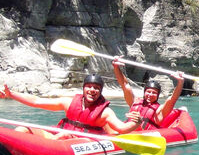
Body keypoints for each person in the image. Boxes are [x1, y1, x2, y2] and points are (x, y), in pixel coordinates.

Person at [0, 74, 142, 138]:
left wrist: (136, 122)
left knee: (65, 135)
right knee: (21, 129)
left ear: (100, 92)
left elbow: (122, 129)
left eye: (96, 88)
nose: (92, 90)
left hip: (80, 140)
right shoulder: (68, 102)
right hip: (59, 135)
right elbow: (36, 101)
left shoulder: (105, 112)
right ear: (83, 89)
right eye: (89, 86)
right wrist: (11, 94)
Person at [112, 58, 184, 130]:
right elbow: (124, 85)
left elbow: (172, 99)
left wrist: (180, 82)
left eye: (154, 93)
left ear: (158, 95)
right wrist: (116, 67)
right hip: (127, 132)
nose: (150, 94)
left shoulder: (159, 111)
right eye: (148, 92)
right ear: (144, 92)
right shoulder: (135, 102)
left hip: (145, 135)